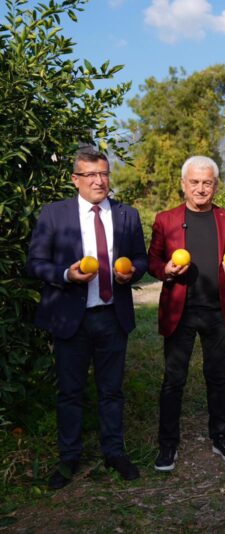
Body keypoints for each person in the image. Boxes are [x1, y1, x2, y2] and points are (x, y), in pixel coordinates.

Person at [27, 148, 148, 489]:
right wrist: (66, 274)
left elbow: (139, 258)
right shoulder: (54, 215)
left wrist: (131, 274)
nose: (99, 180)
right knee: (70, 391)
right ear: (75, 179)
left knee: (112, 390)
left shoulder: (127, 215)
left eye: (104, 173)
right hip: (71, 317)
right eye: (91, 174)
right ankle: (69, 458)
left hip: (112, 315)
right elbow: (34, 263)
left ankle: (114, 452)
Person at [148, 156, 225, 471]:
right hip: (181, 311)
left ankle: (220, 437)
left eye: (207, 183)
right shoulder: (166, 220)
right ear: (183, 184)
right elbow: (153, 260)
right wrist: (165, 269)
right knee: (174, 379)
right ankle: (168, 445)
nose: (201, 188)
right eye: (195, 182)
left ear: (215, 185)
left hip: (217, 311)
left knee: (217, 377)